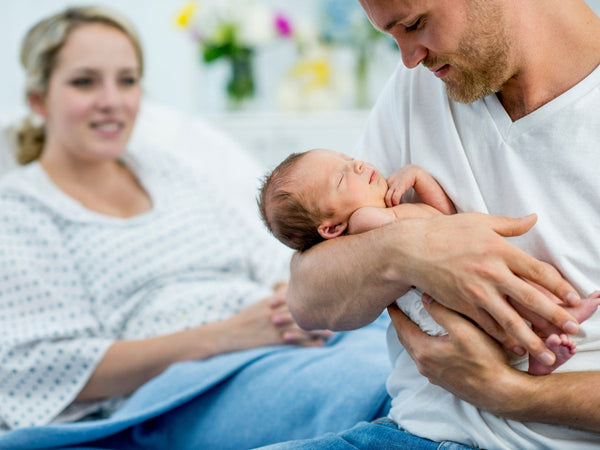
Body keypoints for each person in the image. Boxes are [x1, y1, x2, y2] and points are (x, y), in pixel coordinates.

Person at [0, 6, 393, 449]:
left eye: (126, 80)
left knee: (423, 366)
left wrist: (298, 304)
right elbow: (41, 367)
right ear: (37, 99)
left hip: (296, 337)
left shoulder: (171, 171)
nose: (111, 100)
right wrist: (226, 336)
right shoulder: (20, 209)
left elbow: (269, 263)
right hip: (192, 384)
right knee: (382, 390)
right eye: (84, 81)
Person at [276, 0, 600, 448]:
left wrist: (512, 393)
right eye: (394, 36)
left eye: (414, 24)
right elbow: (308, 296)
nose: (409, 58)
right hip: (410, 434)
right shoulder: (420, 84)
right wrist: (411, 249)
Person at [259, 147, 600, 376]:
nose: (358, 165)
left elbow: (442, 217)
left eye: (348, 159)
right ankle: (553, 328)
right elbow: (430, 234)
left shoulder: (385, 211)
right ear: (331, 228)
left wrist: (419, 178)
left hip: (452, 290)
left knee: (512, 294)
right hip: (438, 306)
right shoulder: (364, 221)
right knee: (508, 292)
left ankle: (541, 359)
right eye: (342, 177)